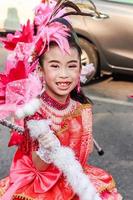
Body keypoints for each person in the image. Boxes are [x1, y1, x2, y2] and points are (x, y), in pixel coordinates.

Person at [0, 1, 122, 199]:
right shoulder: (36, 112)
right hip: (42, 188)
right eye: (55, 66)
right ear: (40, 70)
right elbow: (38, 166)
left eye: (71, 66)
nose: (64, 75)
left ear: (80, 70)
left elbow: (86, 150)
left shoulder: (83, 108)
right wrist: (48, 146)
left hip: (76, 182)